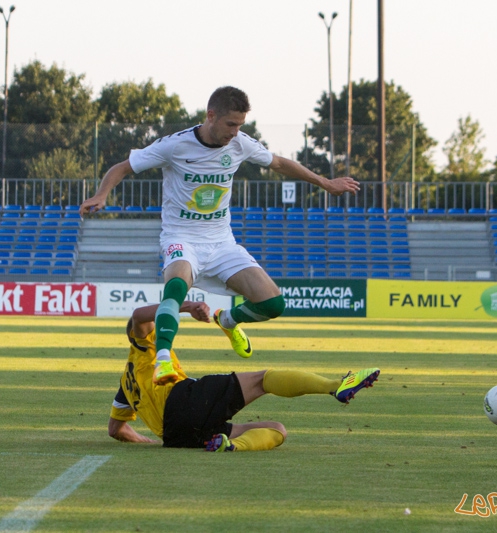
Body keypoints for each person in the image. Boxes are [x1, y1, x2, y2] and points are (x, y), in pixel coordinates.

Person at [81, 86, 360, 386]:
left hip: (221, 242)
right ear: (211, 116)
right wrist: (102, 194)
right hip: (181, 237)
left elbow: (279, 163)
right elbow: (122, 167)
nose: (235, 131)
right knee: (175, 287)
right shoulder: (175, 146)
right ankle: (162, 361)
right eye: (231, 124)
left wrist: (325, 183)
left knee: (273, 305)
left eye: (240, 125)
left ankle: (228, 321)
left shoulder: (240, 144)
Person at [108, 301, 380, 451]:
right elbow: (138, 316)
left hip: (176, 437)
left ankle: (231, 446)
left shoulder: (125, 383)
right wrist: (184, 306)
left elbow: (115, 429)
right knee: (263, 379)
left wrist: (145, 439)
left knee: (277, 430)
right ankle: (336, 386)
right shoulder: (145, 345)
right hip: (183, 400)